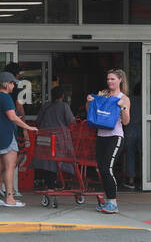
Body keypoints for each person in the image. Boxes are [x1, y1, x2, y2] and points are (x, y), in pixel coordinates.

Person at [0, 72, 38, 207]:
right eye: (12, 83)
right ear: (6, 83)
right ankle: (10, 198)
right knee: (10, 167)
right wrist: (29, 127)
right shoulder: (6, 98)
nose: (14, 86)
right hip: (7, 136)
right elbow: (12, 117)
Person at [86, 69, 130, 214]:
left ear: (120, 80)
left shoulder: (123, 98)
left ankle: (113, 202)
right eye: (108, 79)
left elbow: (126, 121)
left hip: (115, 136)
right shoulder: (103, 94)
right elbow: (91, 111)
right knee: (101, 168)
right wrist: (89, 102)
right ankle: (108, 201)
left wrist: (122, 107)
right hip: (101, 136)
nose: (109, 81)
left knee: (107, 169)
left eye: (112, 79)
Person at [33, 85, 76, 191]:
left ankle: (50, 182)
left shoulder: (45, 106)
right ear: (62, 96)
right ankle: (54, 182)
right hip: (59, 138)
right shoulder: (64, 106)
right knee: (58, 159)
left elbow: (38, 121)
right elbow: (71, 121)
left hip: (45, 137)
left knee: (48, 159)